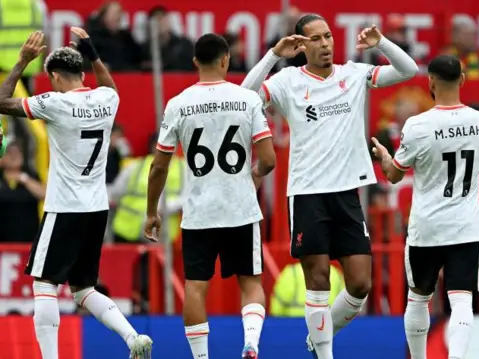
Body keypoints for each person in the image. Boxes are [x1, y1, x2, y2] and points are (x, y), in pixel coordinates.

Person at [241, 13, 418, 359]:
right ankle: (325, 354)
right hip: (307, 194)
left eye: (327, 37)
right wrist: (274, 55)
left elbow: (409, 70)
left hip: (346, 193)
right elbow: (245, 97)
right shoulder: (288, 81)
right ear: (302, 45)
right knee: (318, 279)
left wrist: (380, 43)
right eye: (316, 39)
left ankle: (319, 337)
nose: (325, 45)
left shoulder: (353, 75)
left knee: (360, 284)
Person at [0, 29, 152, 359]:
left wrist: (22, 62)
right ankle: (132, 337)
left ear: (54, 77)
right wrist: (93, 51)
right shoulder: (106, 99)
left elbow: (1, 102)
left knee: (44, 285)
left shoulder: (55, 103)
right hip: (96, 210)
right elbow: (110, 85)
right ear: (83, 74)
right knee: (83, 289)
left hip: (64, 208)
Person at [144, 33, 276, 359]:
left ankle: (201, 357)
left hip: (199, 211)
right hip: (241, 209)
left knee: (196, 286)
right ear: (226, 59)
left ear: (194, 63)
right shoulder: (247, 100)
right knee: (250, 283)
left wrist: (152, 211)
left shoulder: (178, 104)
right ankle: (251, 343)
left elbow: (158, 167)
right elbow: (270, 160)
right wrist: (253, 177)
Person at [372, 55, 479, 359]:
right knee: (462, 301)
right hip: (465, 226)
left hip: (426, 227)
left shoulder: (417, 126)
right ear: (463, 81)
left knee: (417, 299)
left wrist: (385, 156)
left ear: (430, 82)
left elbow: (394, 175)